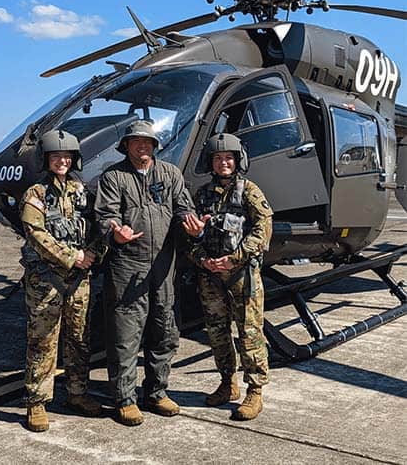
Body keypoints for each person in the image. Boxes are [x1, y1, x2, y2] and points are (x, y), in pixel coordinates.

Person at [94, 119, 194, 426]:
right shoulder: (114, 177)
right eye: (136, 141)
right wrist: (115, 233)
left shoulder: (170, 174)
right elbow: (105, 215)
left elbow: (182, 208)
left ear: (154, 146)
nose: (142, 146)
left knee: (164, 330)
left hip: (163, 266)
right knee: (126, 335)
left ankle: (156, 392)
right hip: (127, 266)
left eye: (148, 142)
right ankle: (124, 398)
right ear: (126, 146)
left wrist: (193, 225)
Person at [183, 133, 273, 420]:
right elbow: (192, 237)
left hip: (241, 275)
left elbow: (263, 229)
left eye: (229, 158)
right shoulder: (203, 195)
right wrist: (204, 260)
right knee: (217, 332)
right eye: (218, 158)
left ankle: (255, 391)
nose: (224, 162)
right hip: (211, 276)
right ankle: (227, 382)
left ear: (238, 160)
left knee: (249, 334)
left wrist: (234, 259)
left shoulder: (249, 192)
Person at [19, 128, 104, 432]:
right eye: (56, 156)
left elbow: (98, 226)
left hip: (79, 279)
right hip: (46, 280)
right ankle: (37, 402)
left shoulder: (82, 192)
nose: (62, 161)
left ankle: (78, 394)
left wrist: (93, 252)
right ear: (46, 159)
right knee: (43, 341)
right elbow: (36, 234)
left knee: (79, 340)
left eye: (66, 156)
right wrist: (73, 256)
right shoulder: (36, 195)